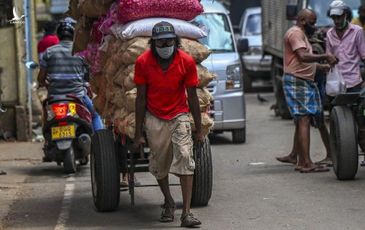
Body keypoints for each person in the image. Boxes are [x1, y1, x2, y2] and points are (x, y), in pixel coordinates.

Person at [133, 21, 203, 227]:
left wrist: (199, 129)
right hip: (154, 116)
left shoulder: (186, 61)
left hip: (179, 115)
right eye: (160, 43)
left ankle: (187, 213)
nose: (165, 46)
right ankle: (169, 201)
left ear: (175, 41)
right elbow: (140, 98)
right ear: (153, 44)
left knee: (184, 157)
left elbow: (192, 97)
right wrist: (138, 134)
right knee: (159, 165)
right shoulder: (142, 62)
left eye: (169, 41)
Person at [276, 9, 337, 173]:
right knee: (303, 120)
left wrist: (320, 67)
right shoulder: (295, 33)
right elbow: (302, 57)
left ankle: (299, 156)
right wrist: (325, 56)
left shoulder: (302, 34)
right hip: (298, 82)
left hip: (306, 82)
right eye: (312, 22)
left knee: (312, 118)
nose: (314, 26)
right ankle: (306, 162)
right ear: (302, 20)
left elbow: (301, 62)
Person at [37, 19, 104, 132]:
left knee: (45, 118)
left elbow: (40, 78)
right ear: (73, 35)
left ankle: (48, 140)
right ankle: (100, 145)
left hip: (55, 98)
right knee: (95, 115)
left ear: (58, 35)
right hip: (78, 97)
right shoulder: (80, 52)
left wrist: (47, 84)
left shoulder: (49, 52)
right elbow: (89, 75)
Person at [326, 0, 365, 159]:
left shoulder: (357, 31)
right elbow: (329, 57)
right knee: (338, 119)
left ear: (346, 15)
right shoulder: (329, 34)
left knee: (361, 116)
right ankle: (341, 153)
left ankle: (362, 144)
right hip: (337, 85)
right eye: (333, 17)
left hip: (354, 82)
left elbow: (364, 55)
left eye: (339, 17)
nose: (336, 20)